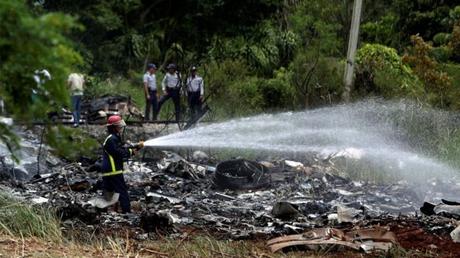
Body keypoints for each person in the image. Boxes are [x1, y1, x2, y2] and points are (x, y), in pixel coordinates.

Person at [102, 115, 144, 213]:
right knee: (122, 191)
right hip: (113, 170)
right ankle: (127, 212)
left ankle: (102, 213)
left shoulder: (113, 138)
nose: (121, 128)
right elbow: (119, 153)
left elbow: (123, 147)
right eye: (119, 126)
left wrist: (136, 146)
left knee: (109, 193)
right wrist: (132, 151)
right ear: (113, 127)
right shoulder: (112, 139)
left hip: (109, 170)